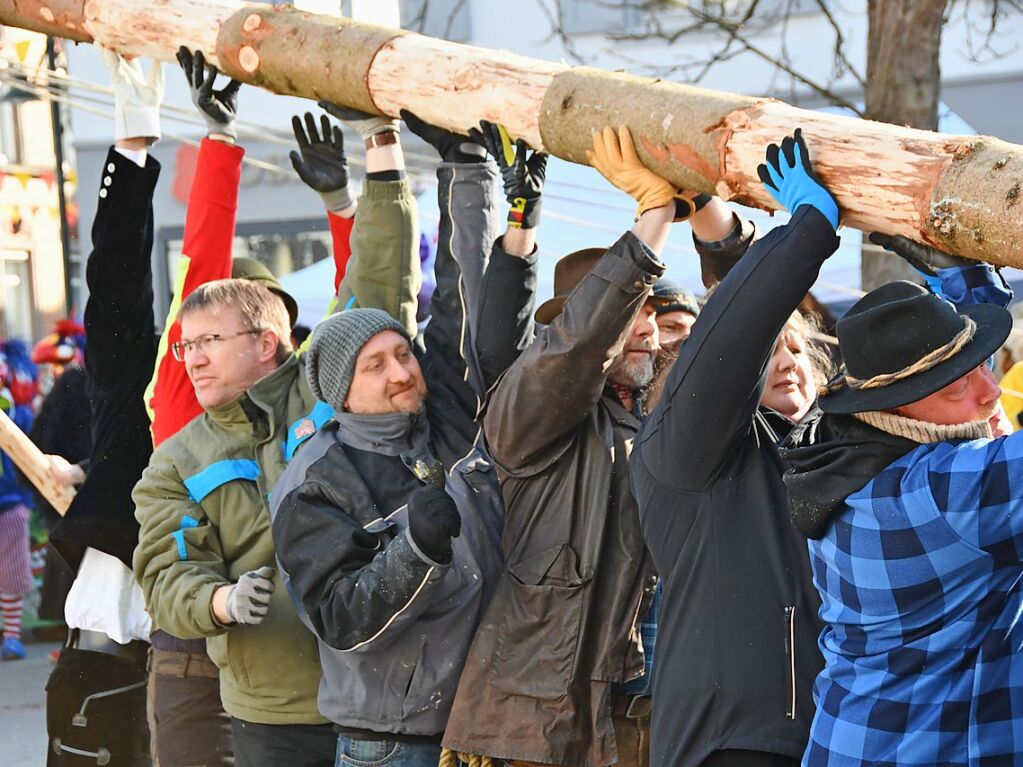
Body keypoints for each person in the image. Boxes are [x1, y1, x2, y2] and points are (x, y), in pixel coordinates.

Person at [132, 102, 419, 766]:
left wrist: (379, 150)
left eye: (209, 341)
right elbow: (164, 574)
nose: (193, 357)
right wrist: (220, 600)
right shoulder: (176, 461)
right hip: (276, 709)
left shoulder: (326, 385)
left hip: (383, 687)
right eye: (187, 346)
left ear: (268, 342)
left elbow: (379, 289)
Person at [268, 114, 539, 767]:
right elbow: (338, 617)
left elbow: (462, 309)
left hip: (490, 724)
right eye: (375, 364)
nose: (400, 372)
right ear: (339, 391)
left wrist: (465, 168)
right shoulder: (316, 478)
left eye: (400, 353)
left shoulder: (438, 420)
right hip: (391, 744)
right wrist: (413, 548)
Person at [443, 125, 703, 767]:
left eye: (650, 315)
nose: (645, 329)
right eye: (630, 312)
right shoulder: (527, 417)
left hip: (649, 719)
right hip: (537, 732)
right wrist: (651, 223)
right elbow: (582, 348)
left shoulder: (656, 428)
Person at [630, 128, 841, 767]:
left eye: (800, 350)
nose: (789, 364)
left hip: (828, 734)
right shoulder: (687, 452)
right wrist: (805, 232)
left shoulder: (826, 450)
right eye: (772, 353)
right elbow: (732, 335)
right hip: (732, 743)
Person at [781, 236, 1019, 766]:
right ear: (901, 409)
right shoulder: (941, 493)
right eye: (957, 388)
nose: (990, 392)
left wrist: (967, 288)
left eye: (983, 365)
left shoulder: (851, 456)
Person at [0, 338, 38, 660]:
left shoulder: (17, 410)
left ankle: (11, 635)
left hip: (10, 500)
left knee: (11, 571)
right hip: (12, 496)